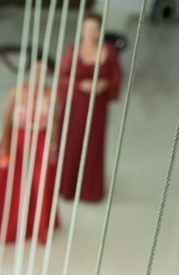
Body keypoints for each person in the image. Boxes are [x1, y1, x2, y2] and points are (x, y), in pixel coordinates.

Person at [0, 56, 60, 244]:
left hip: (40, 141)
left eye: (44, 71)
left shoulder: (52, 94)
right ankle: (11, 222)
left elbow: (55, 122)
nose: (39, 74)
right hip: (18, 139)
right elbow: (7, 119)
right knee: (14, 182)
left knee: (38, 182)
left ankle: (36, 223)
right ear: (29, 71)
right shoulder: (17, 91)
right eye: (36, 69)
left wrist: (53, 146)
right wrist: (5, 146)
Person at [58, 12, 122, 202]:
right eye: (87, 29)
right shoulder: (74, 51)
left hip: (97, 106)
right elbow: (62, 78)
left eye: (94, 29)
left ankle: (90, 189)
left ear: (100, 31)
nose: (90, 33)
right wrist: (79, 85)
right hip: (76, 105)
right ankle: (67, 187)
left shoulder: (109, 51)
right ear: (82, 30)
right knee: (73, 143)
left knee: (93, 144)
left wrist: (105, 84)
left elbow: (116, 75)